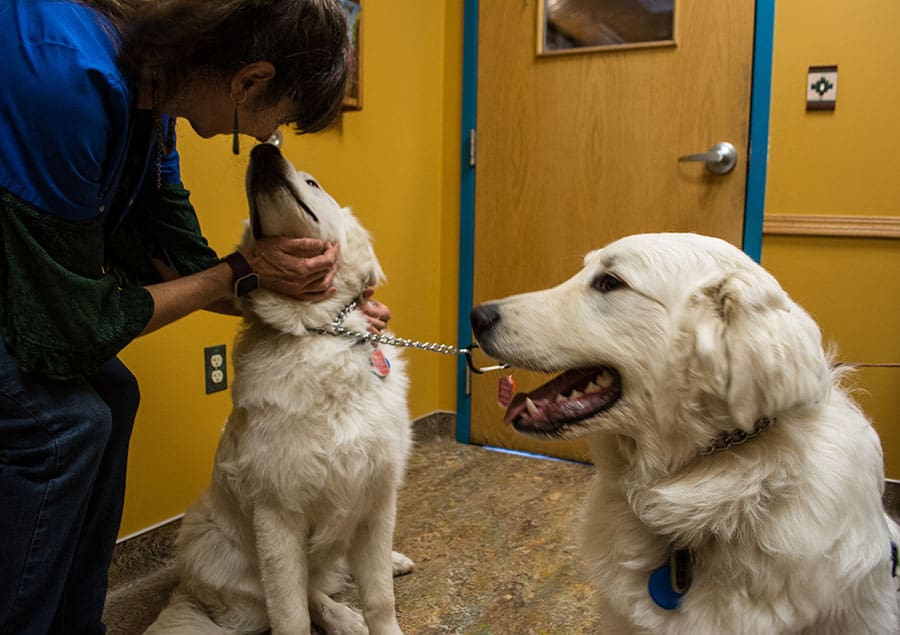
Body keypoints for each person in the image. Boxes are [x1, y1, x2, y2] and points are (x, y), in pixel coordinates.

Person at [0, 1, 389, 632]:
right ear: (249, 81)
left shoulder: (154, 108)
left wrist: (329, 306)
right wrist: (245, 271)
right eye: (280, 121)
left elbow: (180, 261)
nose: (271, 141)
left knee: (115, 395)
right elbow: (74, 325)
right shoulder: (68, 79)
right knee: (62, 425)